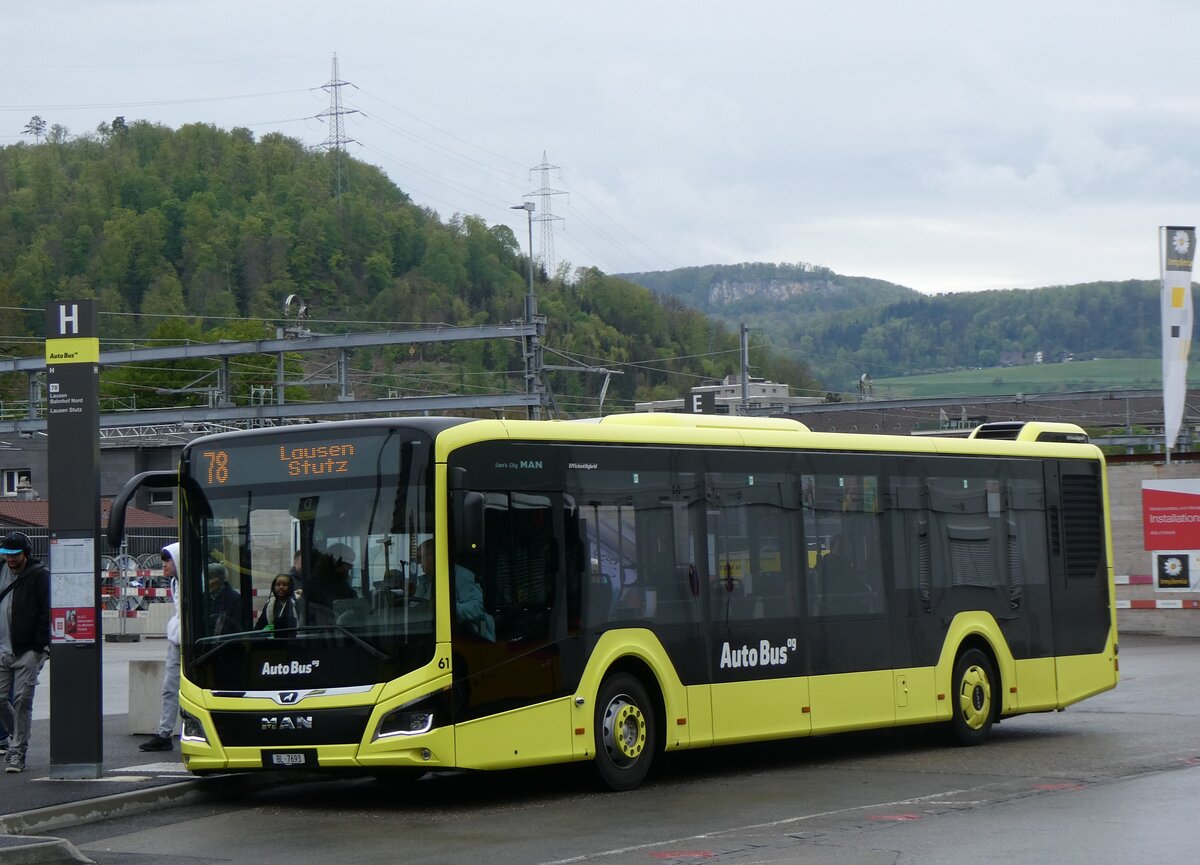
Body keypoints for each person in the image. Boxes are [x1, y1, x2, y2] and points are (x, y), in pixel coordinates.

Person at [0, 531, 50, 774]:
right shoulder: (0, 570)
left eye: (15, 554)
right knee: (1, 699)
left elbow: (46, 611)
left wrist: (39, 647)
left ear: (25, 554)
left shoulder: (39, 575)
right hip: (2, 648)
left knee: (22, 701)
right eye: (6, 554)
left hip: (27, 650)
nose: (10, 558)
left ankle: (18, 752)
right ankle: (15, 737)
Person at [140, 542, 180, 752]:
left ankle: (171, 733)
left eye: (167, 560)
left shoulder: (191, 581)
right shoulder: (175, 582)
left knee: (178, 688)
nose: (164, 565)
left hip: (186, 641)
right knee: (169, 688)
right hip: (178, 641)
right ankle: (165, 733)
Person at [417, 539, 494, 641]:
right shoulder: (427, 580)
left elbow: (478, 607)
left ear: (434, 555)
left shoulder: (460, 576)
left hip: (465, 637)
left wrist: (449, 609)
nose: (419, 563)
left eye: (421, 557)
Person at [206, 563, 242, 635]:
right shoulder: (204, 597)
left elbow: (237, 628)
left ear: (218, 580)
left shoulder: (235, 599)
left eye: (209, 578)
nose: (206, 582)